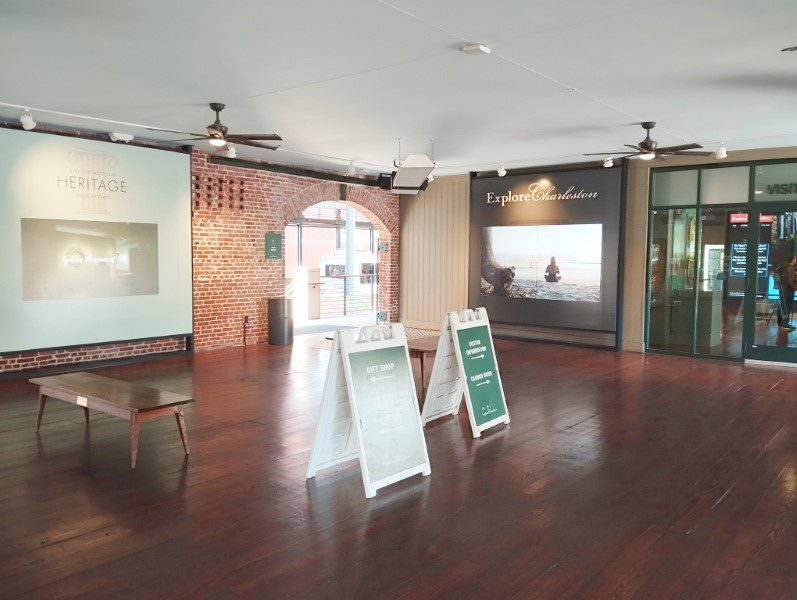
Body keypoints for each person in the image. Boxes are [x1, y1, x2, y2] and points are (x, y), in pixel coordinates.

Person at [776, 255, 797, 330]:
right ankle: (785, 324)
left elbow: (776, 276)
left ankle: (780, 322)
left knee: (782, 306)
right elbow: (791, 281)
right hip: (789, 291)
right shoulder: (791, 268)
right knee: (787, 307)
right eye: (795, 259)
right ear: (793, 260)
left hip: (782, 289)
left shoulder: (782, 267)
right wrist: (795, 287)